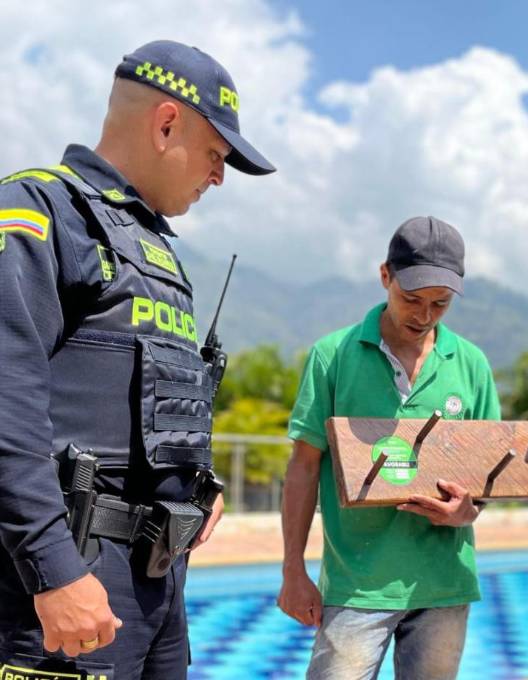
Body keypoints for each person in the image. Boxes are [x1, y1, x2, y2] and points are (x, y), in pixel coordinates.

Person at [0, 40, 275, 679]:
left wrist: (195, 484)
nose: (219, 176)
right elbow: (6, 402)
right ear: (166, 124)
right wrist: (53, 569)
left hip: (155, 583)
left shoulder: (154, 250)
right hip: (70, 581)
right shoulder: (40, 213)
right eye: (216, 154)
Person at [278, 215, 501, 680]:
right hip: (357, 585)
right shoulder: (333, 355)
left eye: (440, 304)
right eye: (411, 299)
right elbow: (302, 467)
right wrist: (293, 569)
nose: (423, 316)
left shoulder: (472, 364)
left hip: (444, 583)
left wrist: (468, 511)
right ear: (385, 276)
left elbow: (487, 473)